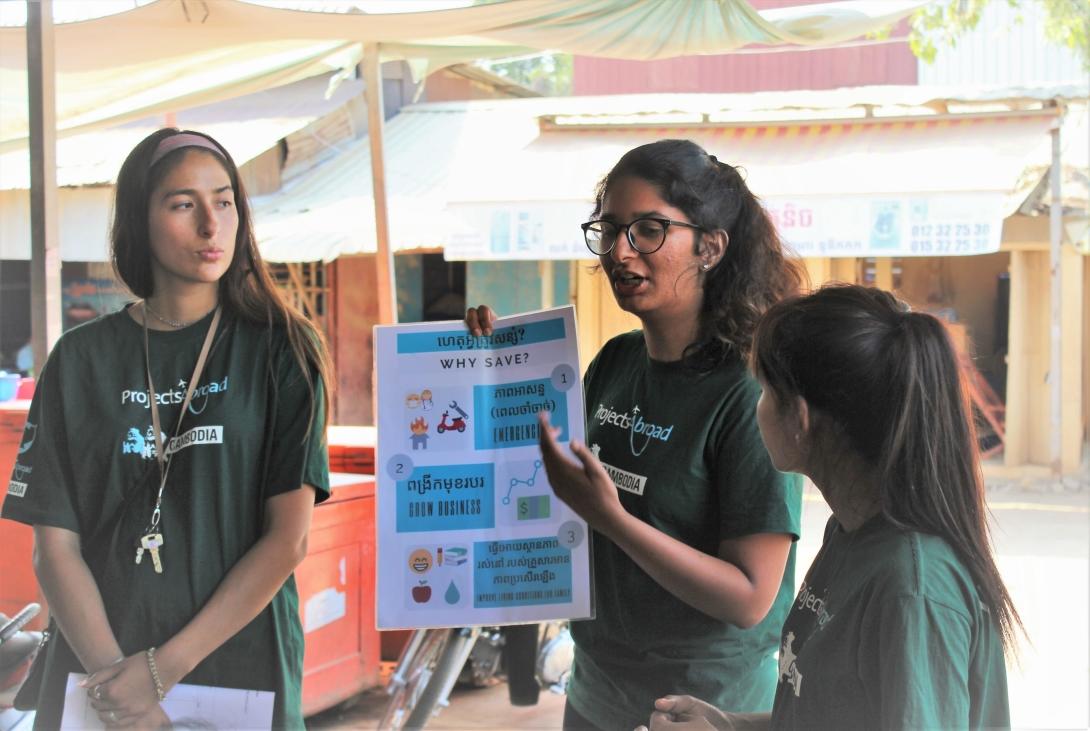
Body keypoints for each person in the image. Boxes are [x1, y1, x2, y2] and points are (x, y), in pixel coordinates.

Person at [467, 138, 805, 730]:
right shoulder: (615, 363)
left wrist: (614, 519)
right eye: (611, 229)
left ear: (711, 246)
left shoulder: (748, 391)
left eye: (648, 230)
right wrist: (490, 360)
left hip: (698, 709)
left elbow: (750, 596)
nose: (621, 253)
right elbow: (535, 475)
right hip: (596, 692)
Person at [2, 128, 333, 729]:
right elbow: (54, 548)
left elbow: (287, 539)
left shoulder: (282, 349)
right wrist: (121, 688)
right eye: (184, 204)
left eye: (225, 200)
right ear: (139, 221)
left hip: (239, 675)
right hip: (96, 678)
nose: (212, 225)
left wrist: (161, 671)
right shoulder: (79, 359)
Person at [642, 285, 1021, 731]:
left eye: (763, 390)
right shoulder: (852, 532)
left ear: (799, 419)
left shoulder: (912, 590)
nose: (756, 407)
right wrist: (729, 725)